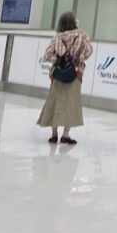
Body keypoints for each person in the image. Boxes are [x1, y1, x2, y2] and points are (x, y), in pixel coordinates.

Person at [37, 12, 93, 145]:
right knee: (71, 103)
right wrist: (78, 59)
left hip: (58, 74)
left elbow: (47, 55)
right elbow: (89, 50)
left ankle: (54, 134)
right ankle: (66, 135)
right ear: (74, 22)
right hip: (75, 73)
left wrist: (58, 60)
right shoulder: (82, 34)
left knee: (54, 102)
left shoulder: (57, 37)